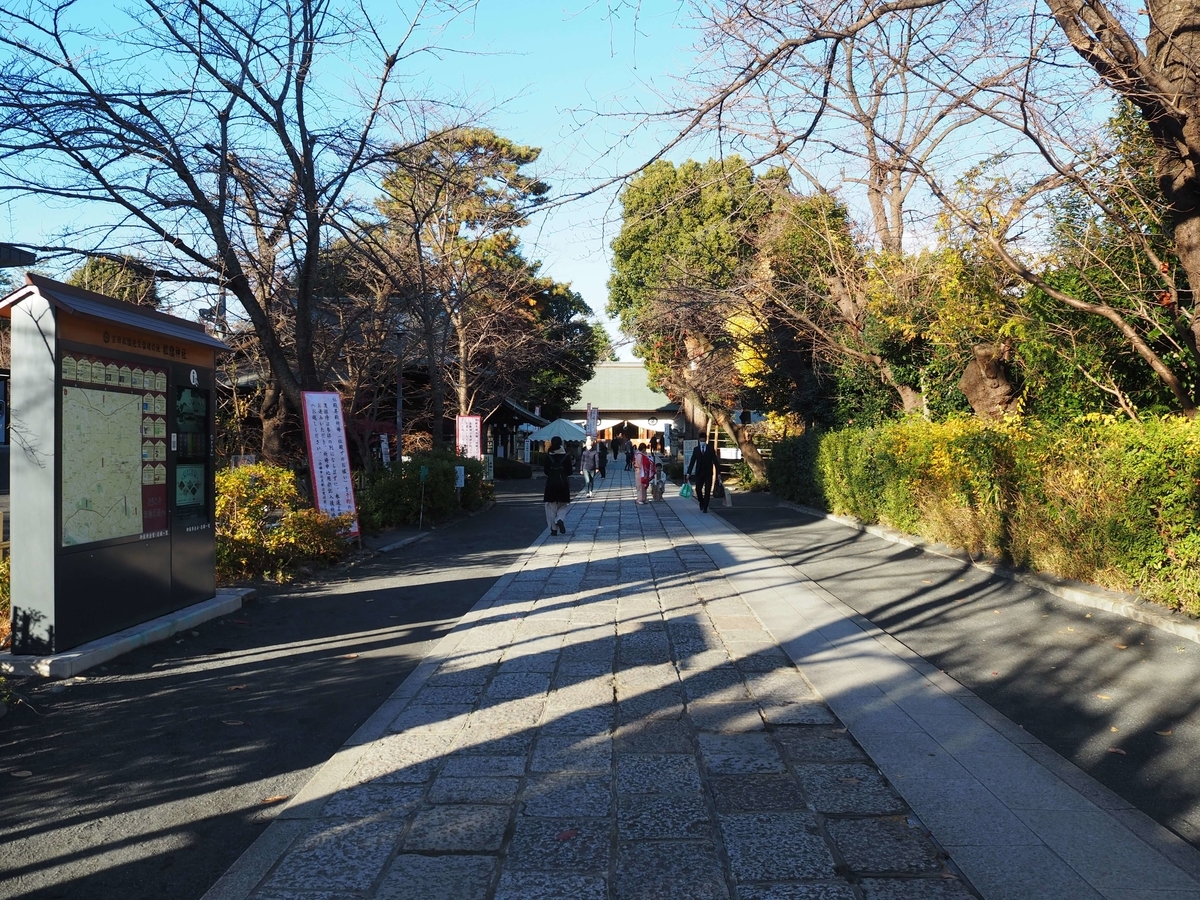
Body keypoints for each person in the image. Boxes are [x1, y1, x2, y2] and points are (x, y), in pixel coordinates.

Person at [543, 435, 573, 535]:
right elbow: (569, 472)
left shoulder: (548, 456)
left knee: (551, 507)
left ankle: (554, 529)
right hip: (563, 484)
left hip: (551, 484)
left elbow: (546, 471)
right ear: (561, 444)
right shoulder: (566, 456)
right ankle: (559, 519)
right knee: (563, 505)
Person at [686, 437, 718, 513]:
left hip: (708, 473)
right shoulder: (696, 449)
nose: (702, 442)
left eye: (703, 440)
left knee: (707, 490)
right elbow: (692, 461)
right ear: (699, 440)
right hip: (699, 473)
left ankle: (705, 507)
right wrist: (688, 473)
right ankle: (701, 501)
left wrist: (718, 473)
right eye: (701, 440)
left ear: (705, 440)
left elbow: (715, 461)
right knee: (698, 489)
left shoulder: (710, 449)